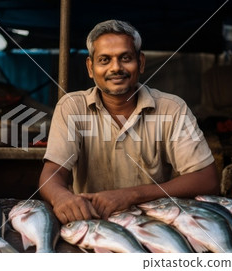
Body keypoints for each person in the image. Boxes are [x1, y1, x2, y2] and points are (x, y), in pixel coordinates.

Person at [39, 20, 219, 224]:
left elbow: (207, 179)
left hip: (156, 223)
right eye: (104, 60)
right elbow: (53, 171)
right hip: (91, 223)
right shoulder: (71, 107)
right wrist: (61, 197)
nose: (116, 68)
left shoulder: (172, 108)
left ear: (141, 62)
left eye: (125, 58)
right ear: (90, 67)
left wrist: (132, 195)